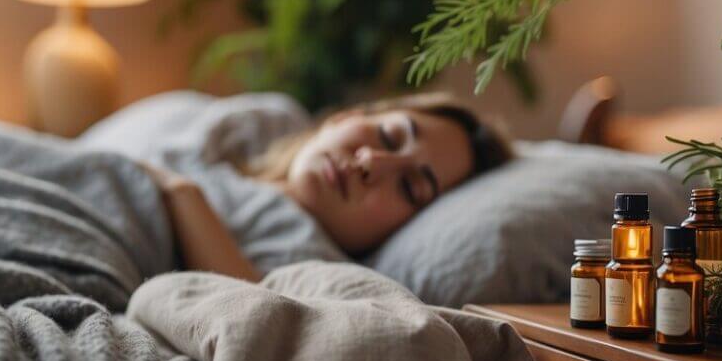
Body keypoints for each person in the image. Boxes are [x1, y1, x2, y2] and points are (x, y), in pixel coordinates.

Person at [144, 93, 513, 282]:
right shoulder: (225, 151)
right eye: (388, 135)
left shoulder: (310, 262)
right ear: (346, 117)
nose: (371, 161)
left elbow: (244, 306)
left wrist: (181, 195)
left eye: (410, 187)